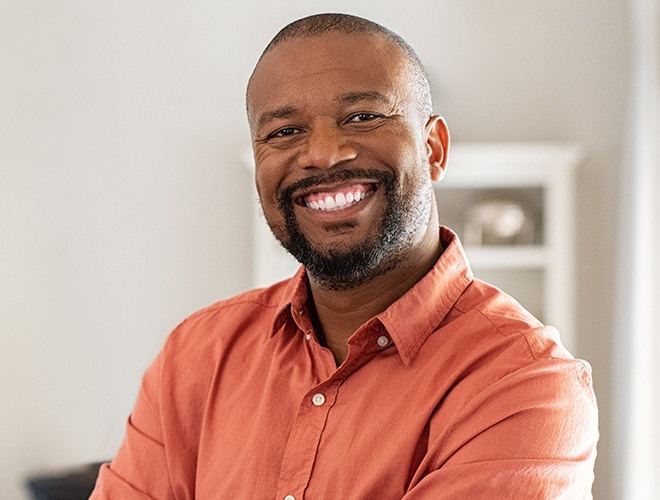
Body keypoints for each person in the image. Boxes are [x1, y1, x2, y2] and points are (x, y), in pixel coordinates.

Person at [91, 13, 598, 499]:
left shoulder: (525, 384)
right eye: (285, 131)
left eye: (362, 116)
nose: (324, 154)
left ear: (434, 149)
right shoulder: (196, 356)